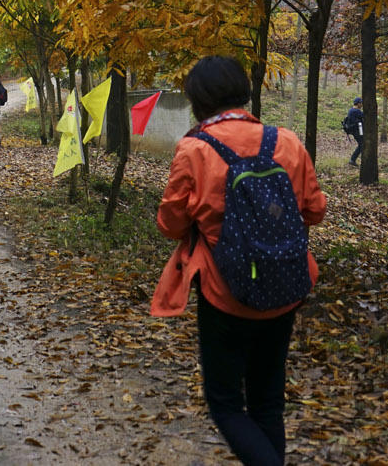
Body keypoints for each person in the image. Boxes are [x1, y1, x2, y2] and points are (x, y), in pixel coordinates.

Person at [152, 56, 326, 466]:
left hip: (223, 291)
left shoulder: (194, 149)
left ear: (197, 100)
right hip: (286, 286)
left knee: (227, 404)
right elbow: (315, 211)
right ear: (243, 91)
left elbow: (169, 223)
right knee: (268, 402)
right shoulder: (286, 140)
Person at [344, 97, 365, 167]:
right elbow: (364, 117)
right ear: (358, 103)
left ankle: (353, 160)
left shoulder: (351, 110)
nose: (362, 105)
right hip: (357, 131)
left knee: (361, 144)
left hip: (355, 131)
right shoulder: (356, 111)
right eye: (361, 103)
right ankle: (355, 160)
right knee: (362, 145)